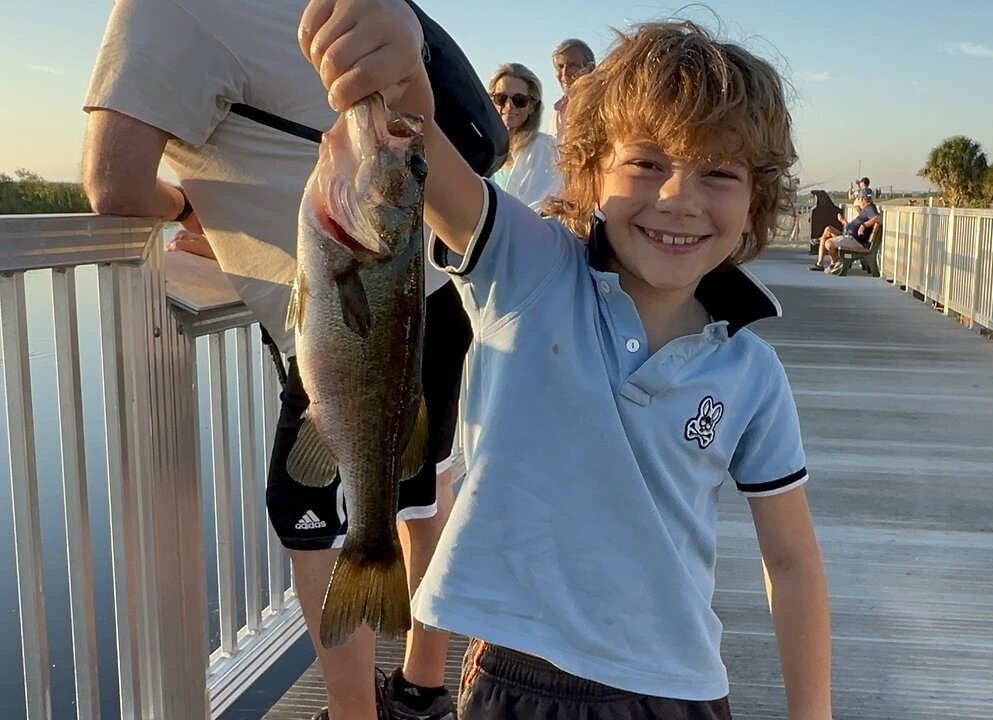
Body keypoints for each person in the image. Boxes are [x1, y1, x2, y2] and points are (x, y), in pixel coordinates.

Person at [300, 5, 833, 719]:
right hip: (515, 680)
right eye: (646, 163)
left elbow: (793, 563)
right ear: (587, 173)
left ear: (757, 200)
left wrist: (813, 710)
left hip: (679, 689)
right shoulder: (528, 268)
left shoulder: (752, 372)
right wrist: (398, 56)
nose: (678, 199)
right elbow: (417, 139)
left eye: (718, 173)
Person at [81, 2, 465, 718]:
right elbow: (409, 142)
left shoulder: (166, 11)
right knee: (422, 490)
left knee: (309, 513)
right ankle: (423, 685)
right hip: (433, 293)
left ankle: (356, 714)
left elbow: (112, 184)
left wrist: (193, 212)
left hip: (355, 309)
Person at [487, 63, 561, 209]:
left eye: (519, 100)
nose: (509, 105)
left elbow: (544, 208)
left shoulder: (545, 149)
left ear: (532, 106)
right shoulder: (478, 148)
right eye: (501, 98)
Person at [813, 188, 881, 275]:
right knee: (827, 231)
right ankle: (827, 262)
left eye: (858, 198)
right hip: (850, 237)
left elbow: (878, 218)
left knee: (829, 243)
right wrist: (843, 221)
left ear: (863, 199)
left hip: (855, 240)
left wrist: (864, 226)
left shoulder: (870, 208)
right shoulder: (865, 209)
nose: (858, 201)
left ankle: (836, 262)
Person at [550, 38, 595, 141]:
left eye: (572, 66)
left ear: (590, 69)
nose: (565, 73)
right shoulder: (557, 111)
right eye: (560, 67)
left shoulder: (601, 107)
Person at [807, 189, 842, 257]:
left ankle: (817, 247)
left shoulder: (816, 211)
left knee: (826, 232)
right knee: (825, 234)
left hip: (833, 236)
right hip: (831, 235)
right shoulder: (835, 210)